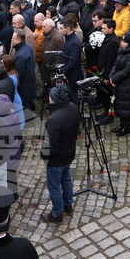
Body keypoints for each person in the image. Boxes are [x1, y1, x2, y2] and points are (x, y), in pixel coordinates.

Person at [39, 84, 79, 224]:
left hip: (56, 160)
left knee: (54, 187)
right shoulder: (73, 107)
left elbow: (51, 147)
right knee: (66, 179)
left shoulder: (54, 120)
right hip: (68, 154)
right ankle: (68, 205)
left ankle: (56, 214)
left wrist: (43, 153)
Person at [106, 30, 130, 137]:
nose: (122, 44)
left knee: (126, 105)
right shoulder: (122, 50)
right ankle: (121, 125)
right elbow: (116, 64)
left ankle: (126, 127)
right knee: (120, 105)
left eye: (125, 42)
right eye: (122, 41)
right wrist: (112, 77)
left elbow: (127, 70)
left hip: (128, 83)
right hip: (120, 81)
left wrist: (115, 79)